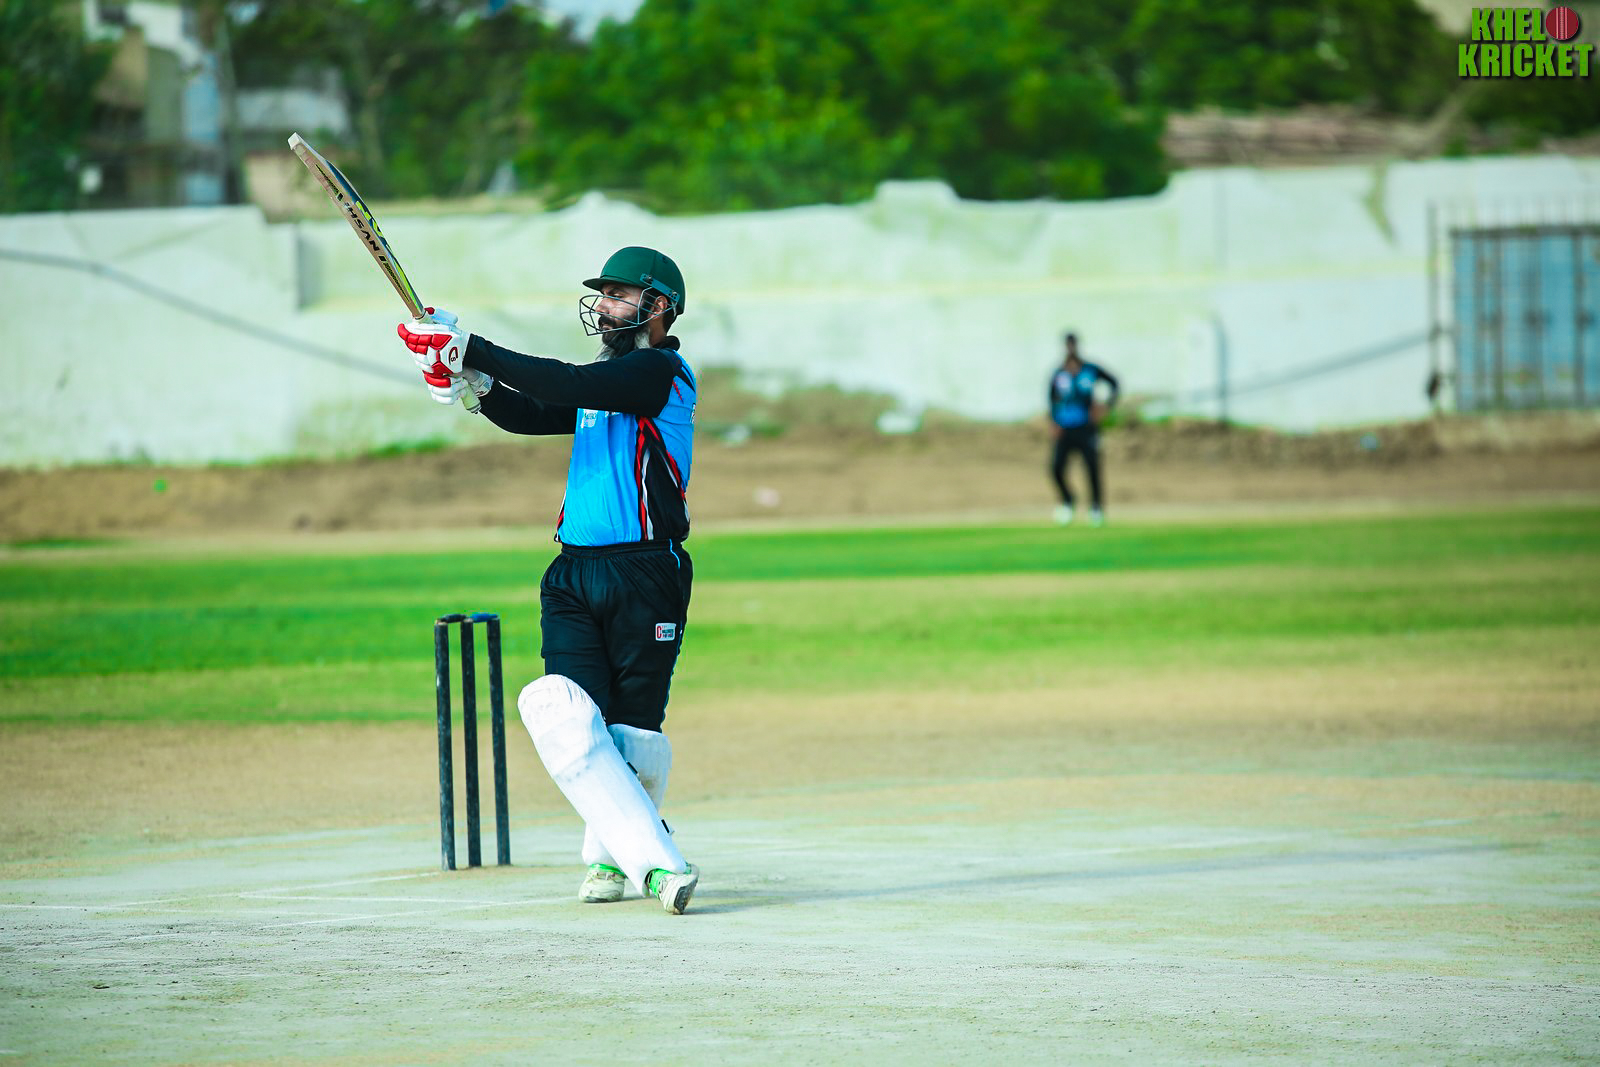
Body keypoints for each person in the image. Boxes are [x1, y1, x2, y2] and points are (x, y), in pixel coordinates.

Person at [396, 246, 700, 915]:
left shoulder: (659, 374)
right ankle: (655, 863)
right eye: (603, 294)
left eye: (619, 294)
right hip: (573, 573)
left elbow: (565, 384)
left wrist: (474, 346)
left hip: (646, 570)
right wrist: (474, 382)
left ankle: (610, 856)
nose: (604, 305)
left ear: (658, 307)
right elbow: (535, 411)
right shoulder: (607, 383)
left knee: (634, 734)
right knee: (567, 713)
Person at [1047, 332, 1119, 527]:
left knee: (1092, 467)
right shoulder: (1059, 373)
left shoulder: (1090, 370)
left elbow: (1114, 383)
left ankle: (1096, 507)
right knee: (1056, 468)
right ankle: (1067, 500)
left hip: (1087, 428)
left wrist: (1106, 406)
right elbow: (1051, 399)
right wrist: (1053, 421)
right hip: (1065, 429)